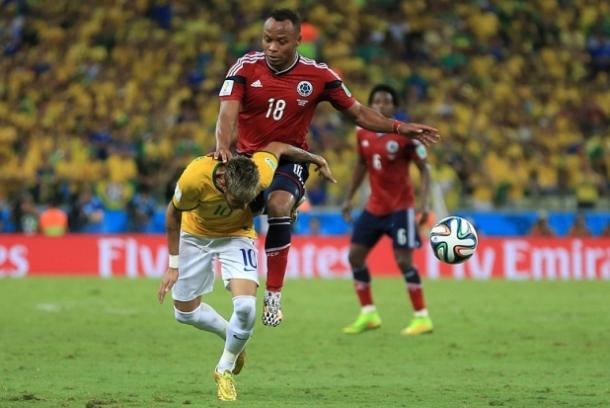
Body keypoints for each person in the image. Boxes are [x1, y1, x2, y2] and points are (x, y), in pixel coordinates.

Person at [214, 8, 440, 327]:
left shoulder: (319, 76)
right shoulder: (245, 66)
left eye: (281, 41)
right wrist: (223, 146)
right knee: (231, 216)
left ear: (297, 40)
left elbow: (359, 113)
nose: (272, 47)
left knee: (278, 204)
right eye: (267, 40)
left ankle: (274, 296)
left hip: (291, 160)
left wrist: (400, 127)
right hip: (249, 161)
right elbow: (226, 114)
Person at [157, 142, 335, 402]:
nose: (242, 205)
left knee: (246, 308)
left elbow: (279, 147)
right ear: (223, 181)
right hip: (195, 235)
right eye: (236, 200)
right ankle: (231, 336)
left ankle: (224, 369)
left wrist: (316, 157)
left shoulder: (260, 169)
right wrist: (173, 265)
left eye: (247, 201)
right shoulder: (194, 177)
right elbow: (172, 214)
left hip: (237, 236)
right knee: (185, 314)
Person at [340, 84, 433, 336]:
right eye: (376, 101)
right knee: (355, 257)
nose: (381, 105)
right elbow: (361, 164)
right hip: (374, 207)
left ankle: (421, 317)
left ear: (395, 107)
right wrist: (348, 198)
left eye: (387, 101)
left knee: (404, 261)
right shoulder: (363, 134)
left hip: (400, 209)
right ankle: (368, 313)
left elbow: (425, 170)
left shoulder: (405, 134)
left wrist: (424, 205)